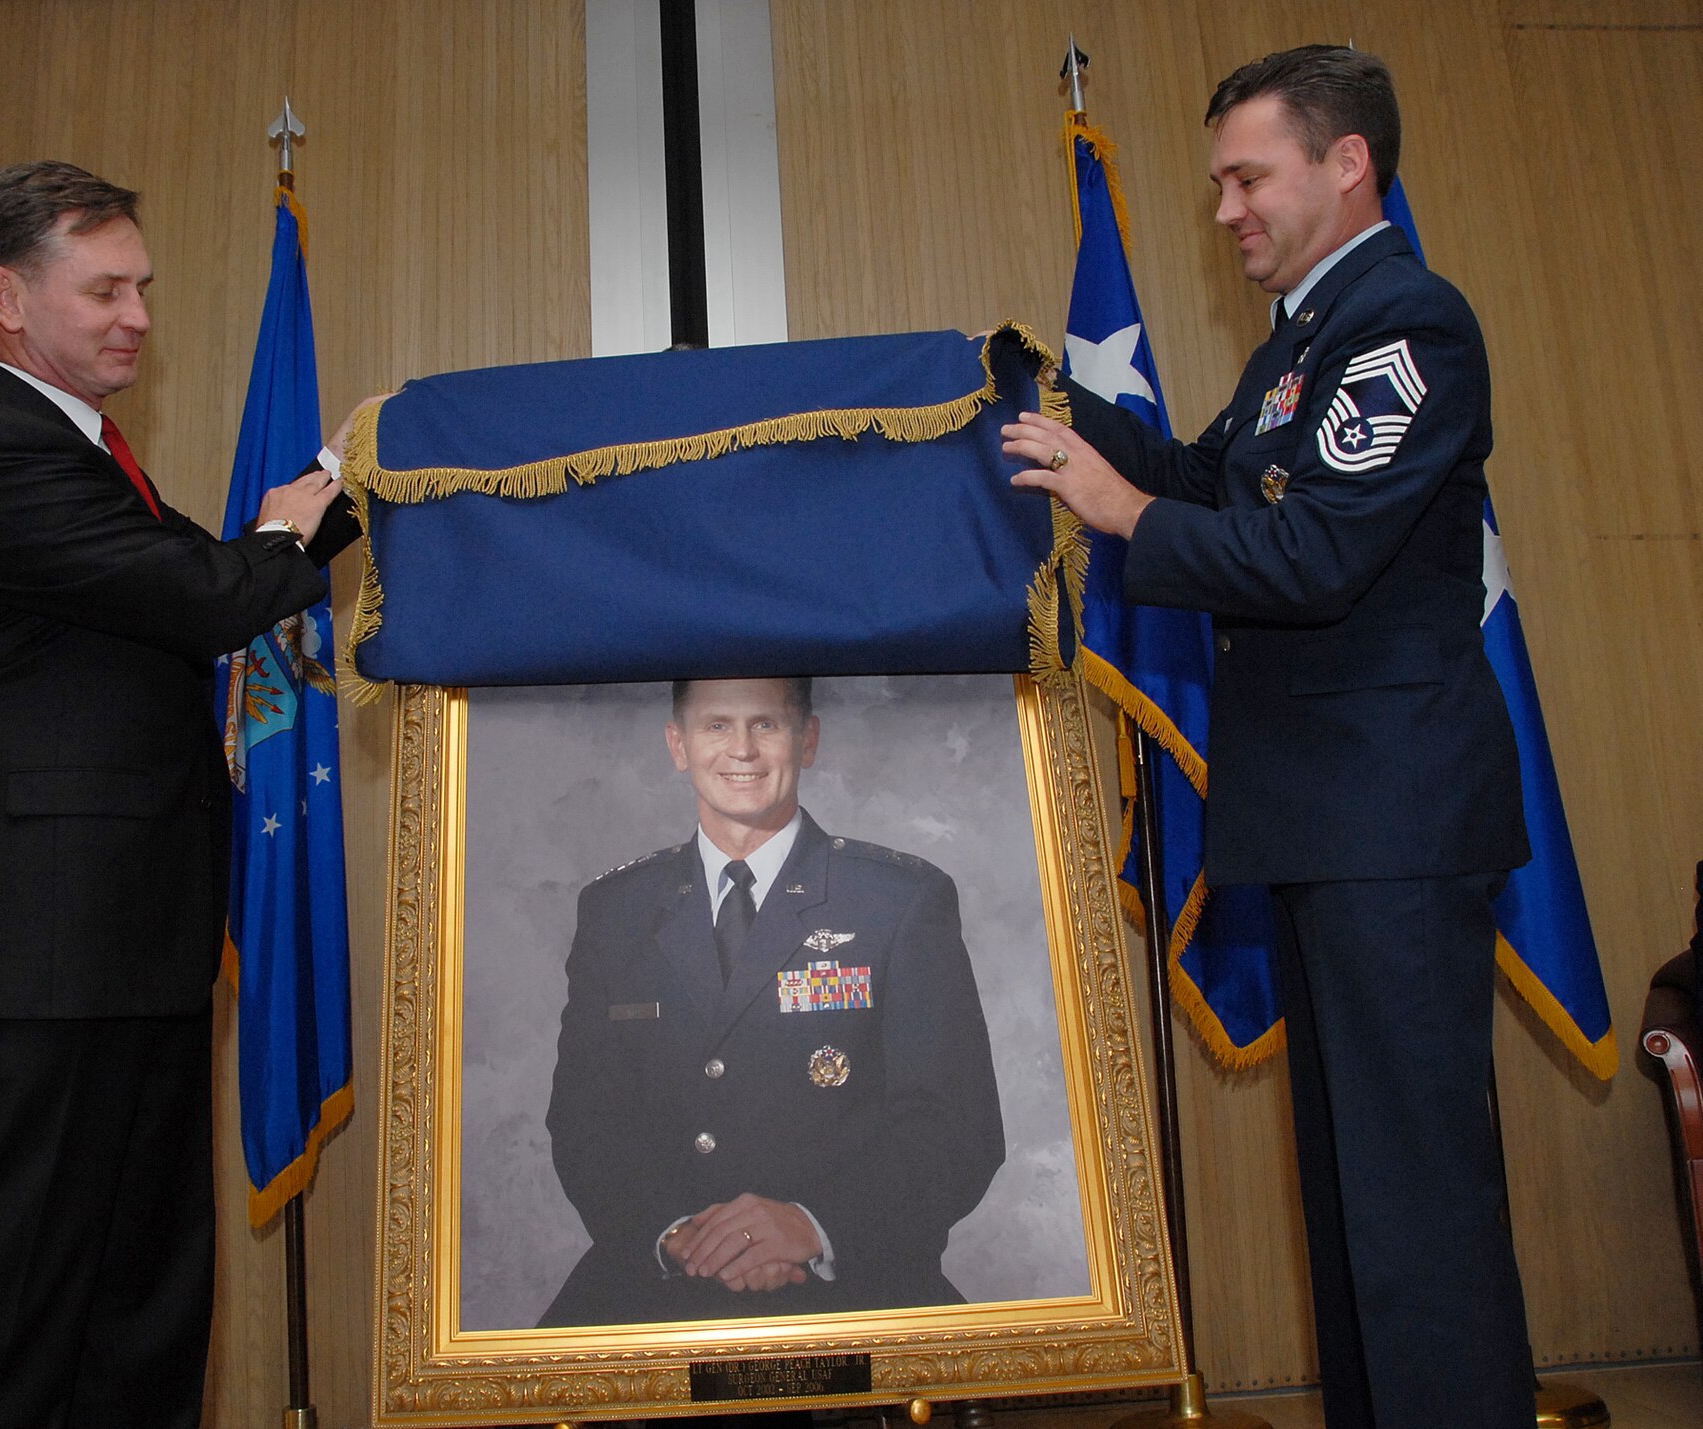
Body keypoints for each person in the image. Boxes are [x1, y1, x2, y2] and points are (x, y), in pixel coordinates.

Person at [1003, 45, 1534, 1428]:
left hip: (1395, 827)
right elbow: (1203, 476)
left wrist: (1124, 518)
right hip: (1327, 822)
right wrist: (1060, 414)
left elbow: (1310, 553)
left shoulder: (1407, 324)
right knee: (1358, 1210)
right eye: (1220, 182)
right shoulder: (1302, 342)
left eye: (1249, 175)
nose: (1226, 206)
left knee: (1418, 1217)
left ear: (1345, 160)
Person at [0, 160, 363, 1428]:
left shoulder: (87, 457)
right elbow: (204, 592)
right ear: (7, 298)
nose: (138, 313)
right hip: (32, 958)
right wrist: (304, 523)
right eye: (105, 289)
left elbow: (208, 573)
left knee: (133, 1317)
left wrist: (343, 505)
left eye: (141, 285)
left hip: (118, 953)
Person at [540, 677, 1005, 1326]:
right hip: (664, 1268)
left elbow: (957, 1126)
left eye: (766, 724)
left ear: (807, 739)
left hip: (851, 1268)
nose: (742, 750)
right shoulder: (616, 910)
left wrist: (812, 1225)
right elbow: (586, 1118)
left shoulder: (897, 901)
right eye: (716, 726)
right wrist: (675, 1233)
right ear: (678, 744)